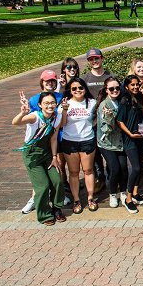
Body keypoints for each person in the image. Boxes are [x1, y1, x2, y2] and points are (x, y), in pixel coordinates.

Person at [13, 91, 66, 226]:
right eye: (46, 103)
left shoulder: (56, 116)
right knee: (42, 186)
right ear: (40, 105)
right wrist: (23, 113)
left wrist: (54, 157)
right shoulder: (35, 117)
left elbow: (53, 138)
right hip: (32, 154)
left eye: (52, 102)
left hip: (47, 153)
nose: (50, 105)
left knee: (57, 180)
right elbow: (15, 122)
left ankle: (56, 208)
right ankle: (44, 214)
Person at [60, 77, 97, 214]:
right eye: (74, 88)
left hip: (87, 139)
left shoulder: (92, 102)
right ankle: (76, 199)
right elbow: (62, 124)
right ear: (70, 90)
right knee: (74, 172)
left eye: (80, 88)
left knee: (88, 170)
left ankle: (90, 197)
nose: (77, 90)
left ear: (85, 89)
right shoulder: (66, 103)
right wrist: (64, 110)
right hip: (70, 141)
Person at [117, 75, 143, 211]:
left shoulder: (140, 98)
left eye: (137, 84)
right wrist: (130, 134)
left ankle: (136, 193)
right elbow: (119, 121)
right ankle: (128, 198)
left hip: (140, 136)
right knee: (136, 168)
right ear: (126, 87)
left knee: (139, 166)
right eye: (132, 85)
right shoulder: (124, 101)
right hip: (130, 139)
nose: (136, 87)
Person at [96, 77, 129, 211]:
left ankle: (123, 192)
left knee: (124, 168)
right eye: (111, 89)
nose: (115, 90)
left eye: (117, 88)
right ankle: (112, 194)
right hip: (107, 143)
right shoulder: (105, 106)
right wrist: (109, 118)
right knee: (114, 168)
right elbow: (106, 130)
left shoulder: (122, 101)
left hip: (120, 142)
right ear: (106, 90)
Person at [81, 47, 111, 192]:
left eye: (96, 58)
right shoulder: (85, 79)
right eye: (91, 59)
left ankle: (112, 177)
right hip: (91, 123)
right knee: (95, 154)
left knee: (110, 151)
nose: (94, 61)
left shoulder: (110, 77)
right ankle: (100, 178)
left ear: (102, 58)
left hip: (108, 122)